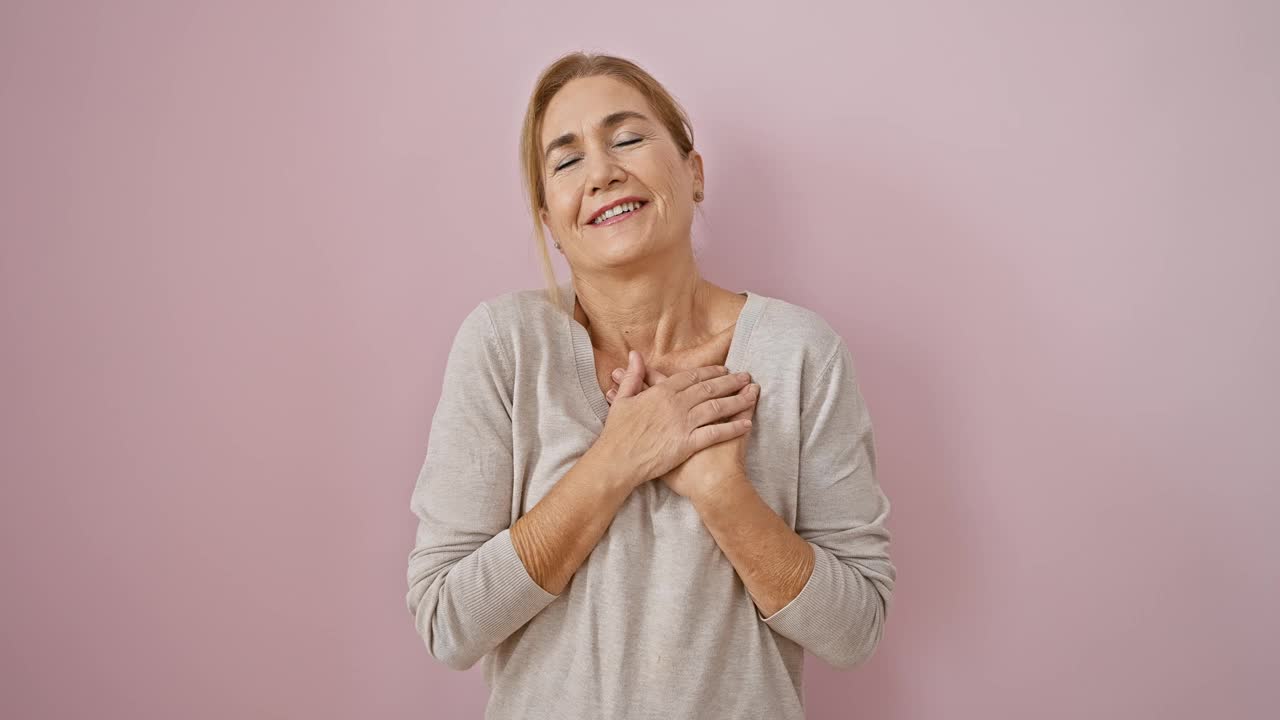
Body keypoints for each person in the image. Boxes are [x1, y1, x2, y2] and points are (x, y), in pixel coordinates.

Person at [405, 51, 896, 719]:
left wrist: (723, 494)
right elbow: (447, 622)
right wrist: (614, 461)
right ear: (550, 217)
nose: (603, 171)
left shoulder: (799, 352)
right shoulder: (506, 347)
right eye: (566, 159)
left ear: (693, 174)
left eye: (628, 138)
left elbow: (854, 630)